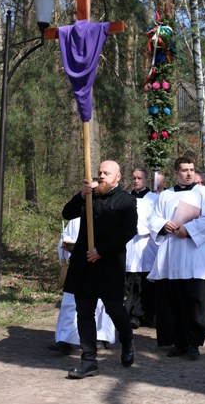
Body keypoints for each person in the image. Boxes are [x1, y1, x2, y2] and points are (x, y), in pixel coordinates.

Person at [62, 160, 138, 379]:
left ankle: (127, 339)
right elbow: (67, 213)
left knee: (115, 309)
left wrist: (101, 251)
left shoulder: (126, 201)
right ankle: (89, 361)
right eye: (100, 172)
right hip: (84, 263)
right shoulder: (88, 196)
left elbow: (128, 231)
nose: (102, 176)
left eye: (107, 173)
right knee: (84, 312)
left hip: (109, 264)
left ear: (117, 177)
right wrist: (79, 195)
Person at [147, 156, 205, 360]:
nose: (188, 173)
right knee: (174, 302)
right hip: (172, 257)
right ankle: (178, 342)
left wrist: (187, 230)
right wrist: (164, 225)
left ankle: (194, 343)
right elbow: (153, 218)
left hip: (196, 257)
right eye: (184, 170)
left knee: (195, 302)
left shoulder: (204, 193)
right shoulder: (165, 195)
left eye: (191, 169)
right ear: (176, 172)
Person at [49, 217, 116, 355]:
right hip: (77, 266)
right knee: (70, 303)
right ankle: (65, 339)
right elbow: (66, 236)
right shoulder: (76, 219)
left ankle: (100, 337)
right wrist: (65, 244)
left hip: (99, 266)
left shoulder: (108, 215)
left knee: (98, 304)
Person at [125, 167, 159, 329]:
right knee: (131, 279)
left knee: (146, 280)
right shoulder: (125, 198)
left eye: (139, 178)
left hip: (147, 243)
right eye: (134, 178)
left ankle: (146, 314)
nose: (136, 181)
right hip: (130, 244)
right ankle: (132, 313)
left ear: (146, 180)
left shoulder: (154, 199)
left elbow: (157, 220)